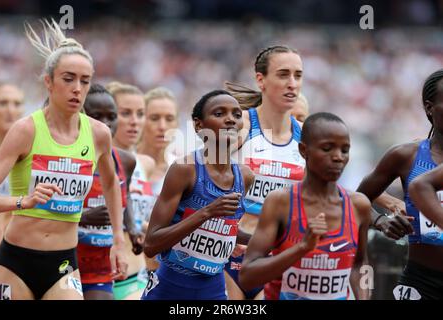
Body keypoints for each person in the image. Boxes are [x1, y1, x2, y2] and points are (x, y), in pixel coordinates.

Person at [0, 19, 127, 300]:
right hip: (15, 262)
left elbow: (113, 184)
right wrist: (23, 201)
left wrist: (118, 239)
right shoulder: (25, 130)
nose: (77, 88)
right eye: (68, 79)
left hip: (64, 263)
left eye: (85, 81)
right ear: (49, 82)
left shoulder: (99, 134)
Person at [240, 112, 371, 300]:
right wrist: (302, 248)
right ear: (304, 151)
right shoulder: (280, 202)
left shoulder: (359, 205)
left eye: (345, 150)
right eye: (327, 148)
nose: (338, 157)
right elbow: (247, 277)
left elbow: (360, 265)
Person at [142, 90, 254, 300]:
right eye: (220, 113)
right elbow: (151, 244)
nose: (230, 119)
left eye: (236, 115)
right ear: (199, 125)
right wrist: (207, 212)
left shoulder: (245, 176)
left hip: (213, 290)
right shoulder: (185, 170)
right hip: (170, 287)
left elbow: (222, 229)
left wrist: (267, 240)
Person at [224, 45, 306, 300]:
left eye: (298, 75)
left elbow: (328, 196)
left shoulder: (308, 136)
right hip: (228, 258)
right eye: (283, 74)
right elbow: (197, 184)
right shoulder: (238, 128)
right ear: (261, 80)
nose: (292, 83)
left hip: (277, 262)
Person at [357, 69, 443, 300]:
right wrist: (380, 221)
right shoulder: (406, 156)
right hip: (421, 281)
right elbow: (356, 201)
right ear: (429, 107)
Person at [77, 84, 141, 300]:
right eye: (97, 116)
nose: (105, 124)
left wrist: (132, 228)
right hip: (65, 262)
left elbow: (125, 193)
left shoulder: (125, 160)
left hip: (102, 266)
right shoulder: (67, 158)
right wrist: (83, 217)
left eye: (111, 117)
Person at [106, 81, 154, 300]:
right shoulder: (96, 162)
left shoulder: (145, 164)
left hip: (139, 274)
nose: (135, 121)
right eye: (125, 113)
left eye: (140, 113)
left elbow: (143, 219)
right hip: (103, 274)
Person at [136, 87, 179, 277]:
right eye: (154, 118)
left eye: (169, 119)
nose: (162, 126)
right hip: (129, 266)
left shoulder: (182, 169)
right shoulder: (126, 164)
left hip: (166, 270)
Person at [0, 82, 24, 266]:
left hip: (19, 246)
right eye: (2, 103)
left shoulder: (33, 151)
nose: (10, 110)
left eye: (17, 103)